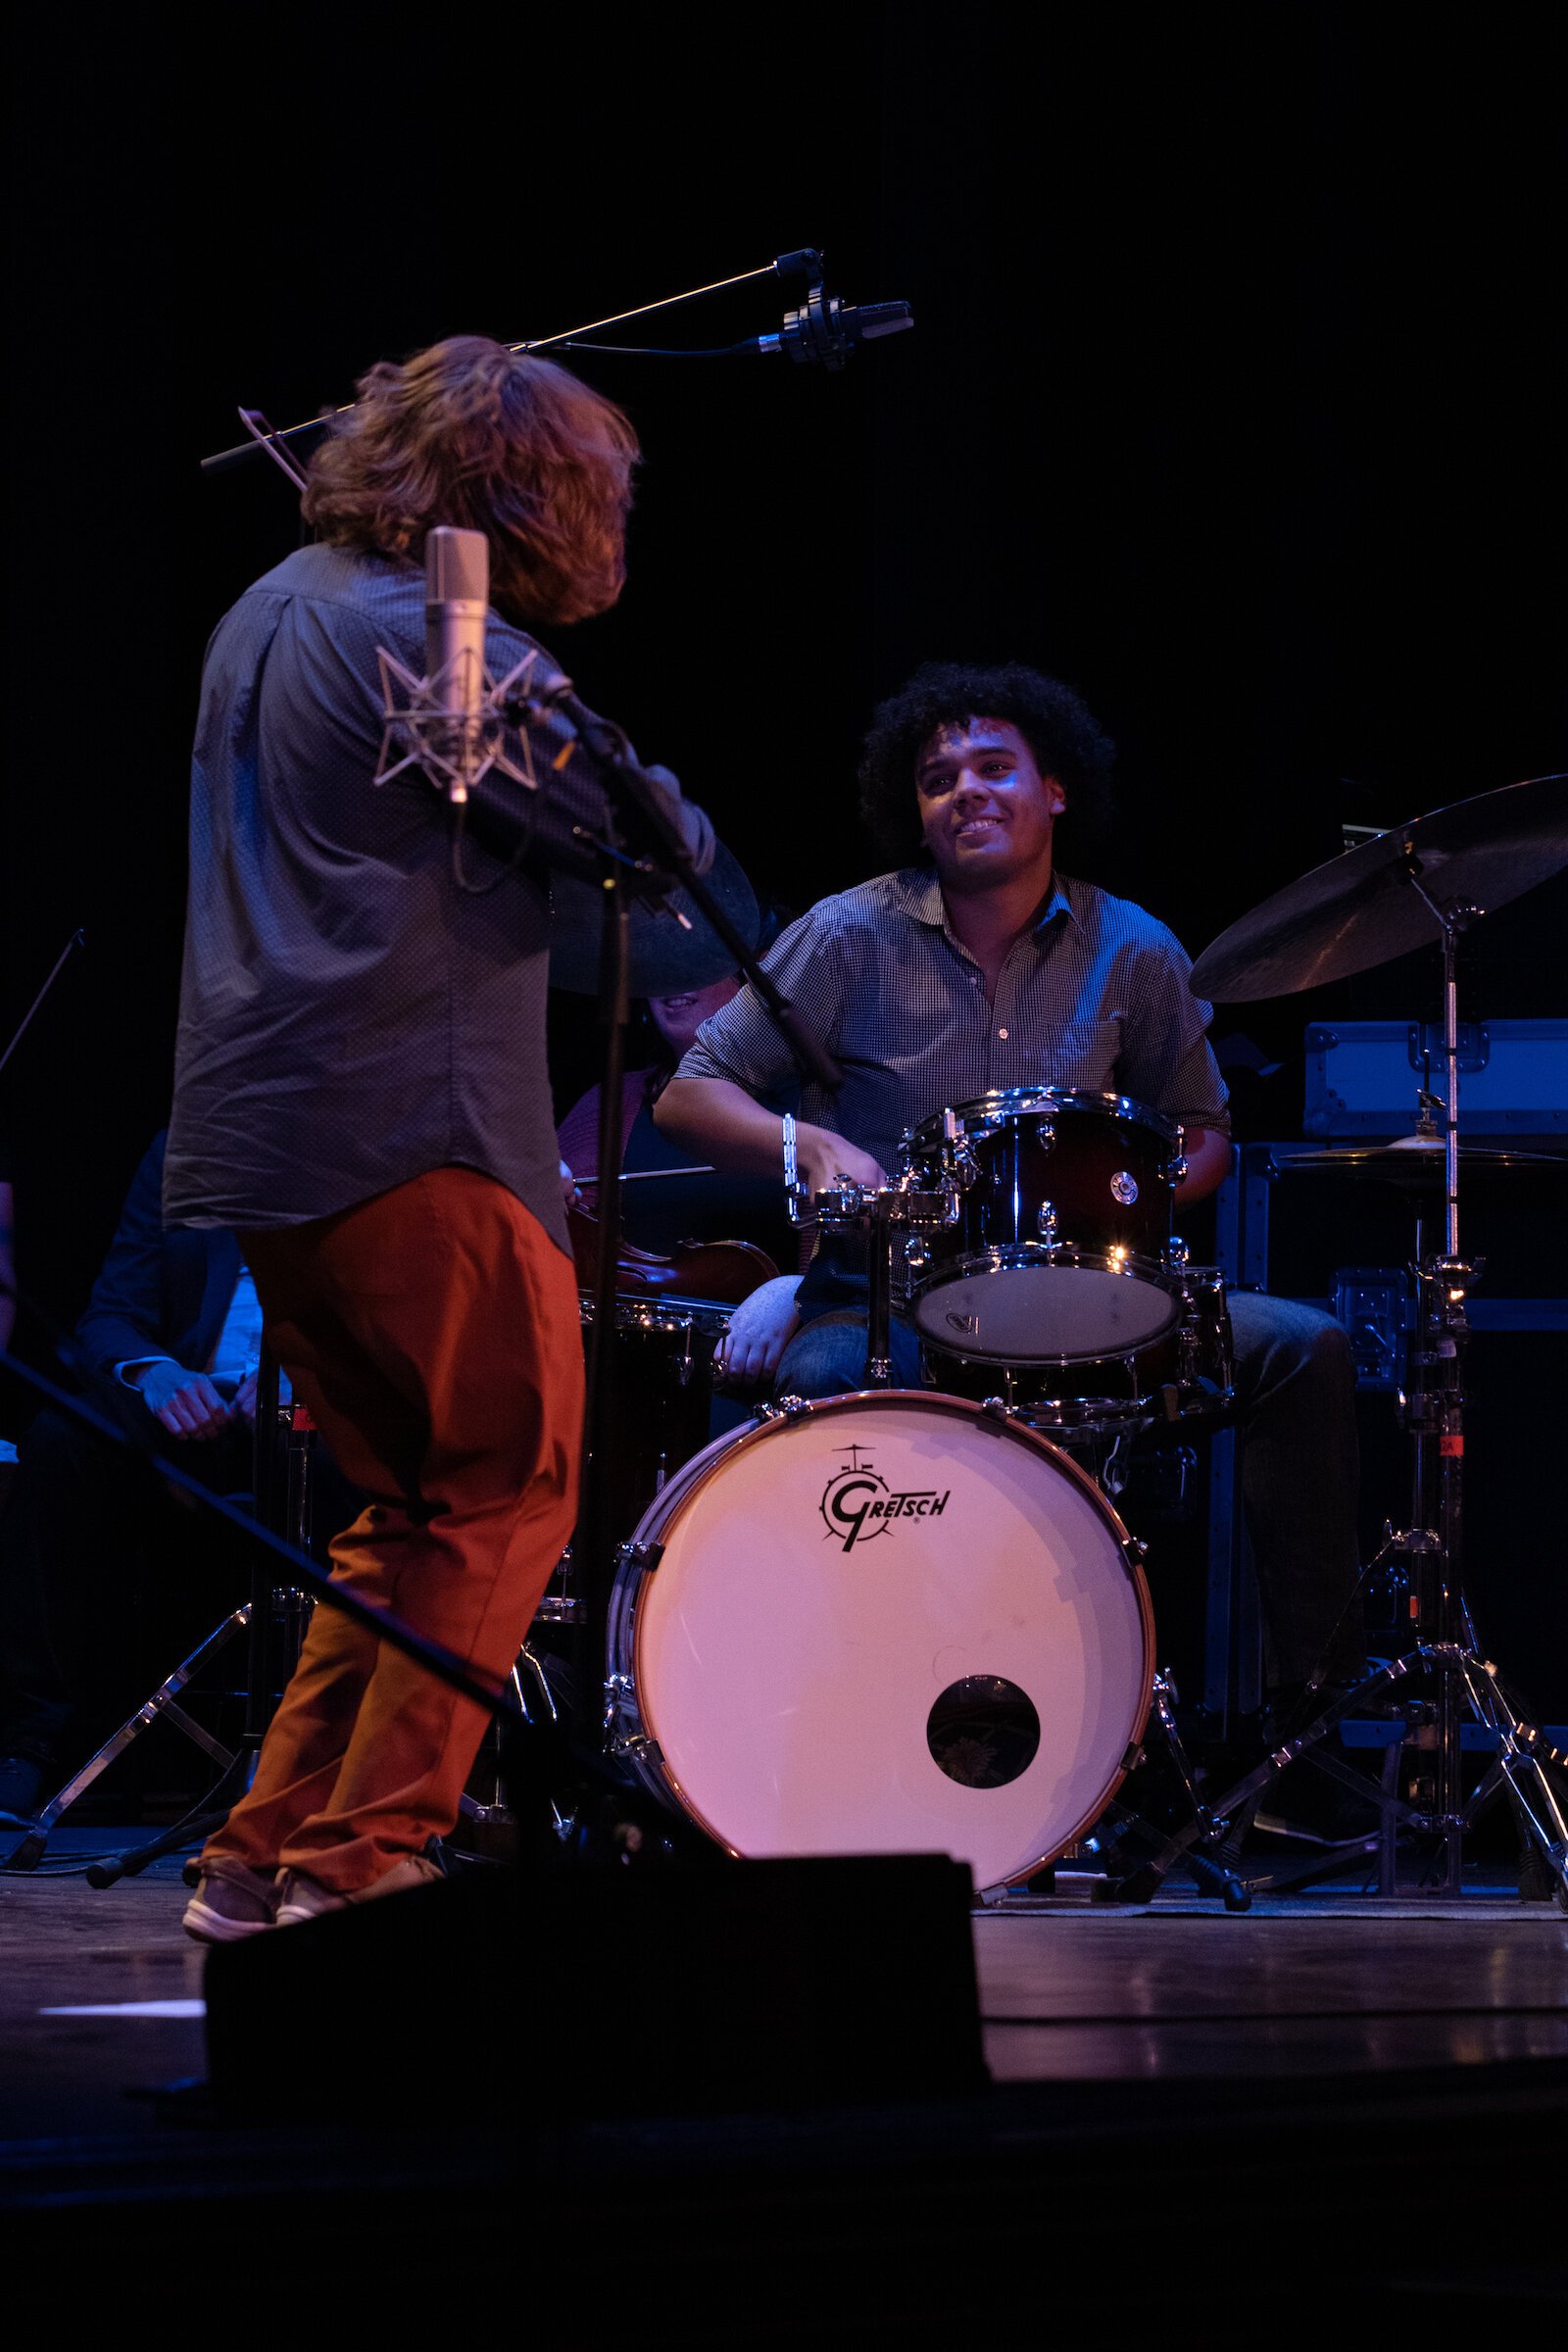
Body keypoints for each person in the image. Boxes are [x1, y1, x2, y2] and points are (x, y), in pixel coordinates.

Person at [165, 334, 714, 1941]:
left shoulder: (267, 608)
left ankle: (264, 1853)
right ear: (533, 493)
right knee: (505, 1483)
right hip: (418, 1122)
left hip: (267, 1122)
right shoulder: (438, 633)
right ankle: (364, 1865)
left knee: (405, 1510)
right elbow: (634, 845)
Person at [657, 662, 1365, 1713]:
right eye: (938, 777)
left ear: (1056, 791)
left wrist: (1145, 1198)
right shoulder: (847, 935)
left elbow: (1206, 1130)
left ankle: (1309, 1724)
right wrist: (804, 1143)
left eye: (994, 768)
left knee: (1306, 1349)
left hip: (1090, 1305)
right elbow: (690, 1094)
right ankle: (833, 1710)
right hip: (881, 1304)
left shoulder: (1132, 948)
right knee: (816, 1390)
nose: (964, 792)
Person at [0, 1131, 259, 1830]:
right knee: (61, 1443)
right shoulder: (187, 1147)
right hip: (197, 1413)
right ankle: (30, 1743)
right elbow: (112, 1314)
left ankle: (325, 1754)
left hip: (323, 1417)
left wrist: (305, 1374)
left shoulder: (371, 1139)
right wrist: (157, 1372)